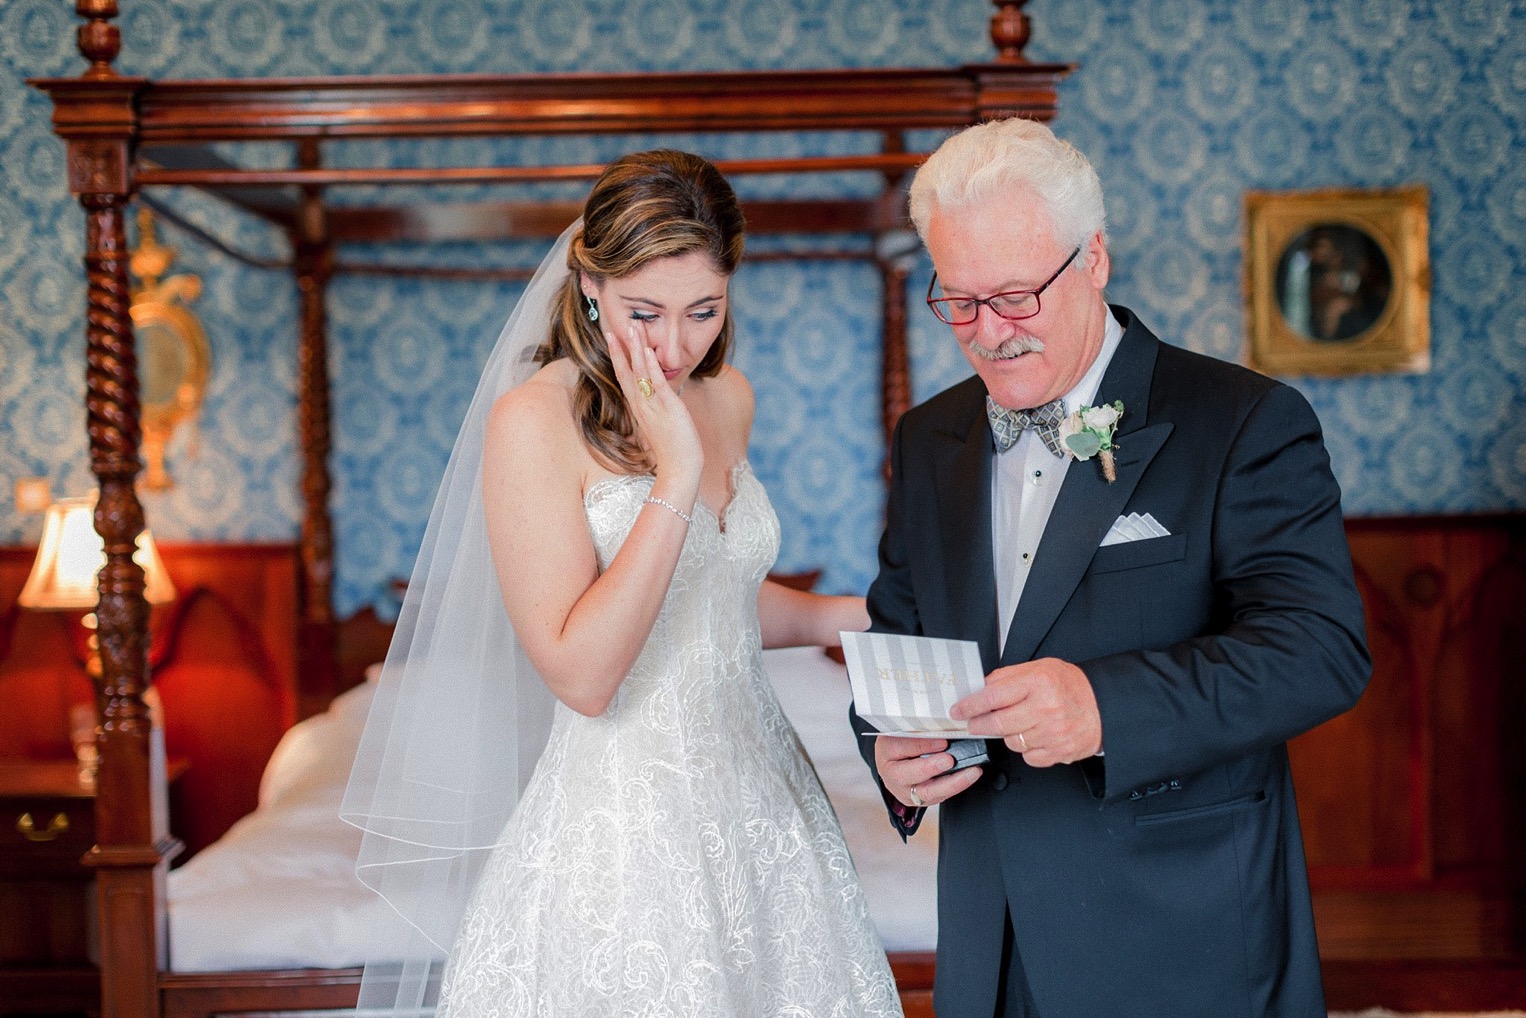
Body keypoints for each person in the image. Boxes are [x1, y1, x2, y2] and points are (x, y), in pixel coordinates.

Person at [342, 150, 902, 1017]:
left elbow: (710, 600)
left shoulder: (729, 397)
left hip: (769, 807)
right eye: (646, 312)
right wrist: (674, 478)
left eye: (703, 311)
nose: (675, 347)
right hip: (626, 832)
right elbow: (584, 674)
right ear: (590, 283)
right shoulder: (534, 420)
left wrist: (859, 614)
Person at [851, 118, 1372, 1018]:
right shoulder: (928, 438)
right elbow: (900, 633)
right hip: (987, 931)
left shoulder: (1244, 420)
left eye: (1015, 297)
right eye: (959, 302)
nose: (987, 334)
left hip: (1179, 931)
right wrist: (887, 752)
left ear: (1093, 259)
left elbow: (1320, 650)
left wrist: (1105, 707)